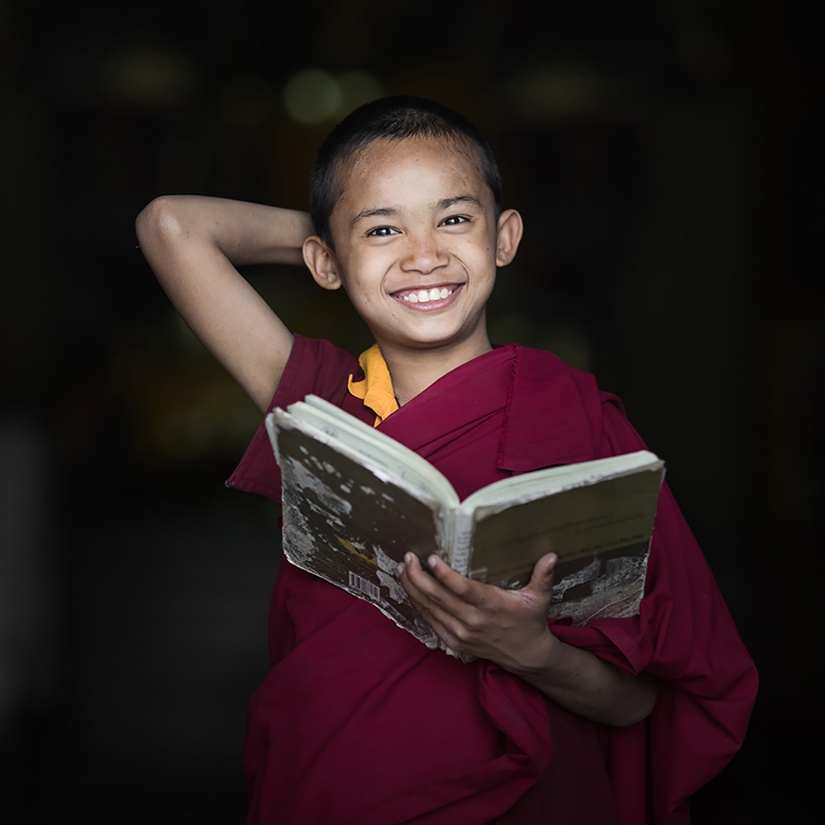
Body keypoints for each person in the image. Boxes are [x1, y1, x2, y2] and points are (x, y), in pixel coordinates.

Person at [136, 96, 757, 825]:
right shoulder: (321, 402)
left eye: (455, 219)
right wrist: (338, 236)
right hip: (341, 789)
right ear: (325, 261)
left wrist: (530, 652)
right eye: (384, 228)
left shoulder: (580, 422)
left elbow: (642, 702)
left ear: (505, 237)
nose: (423, 254)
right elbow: (171, 225)